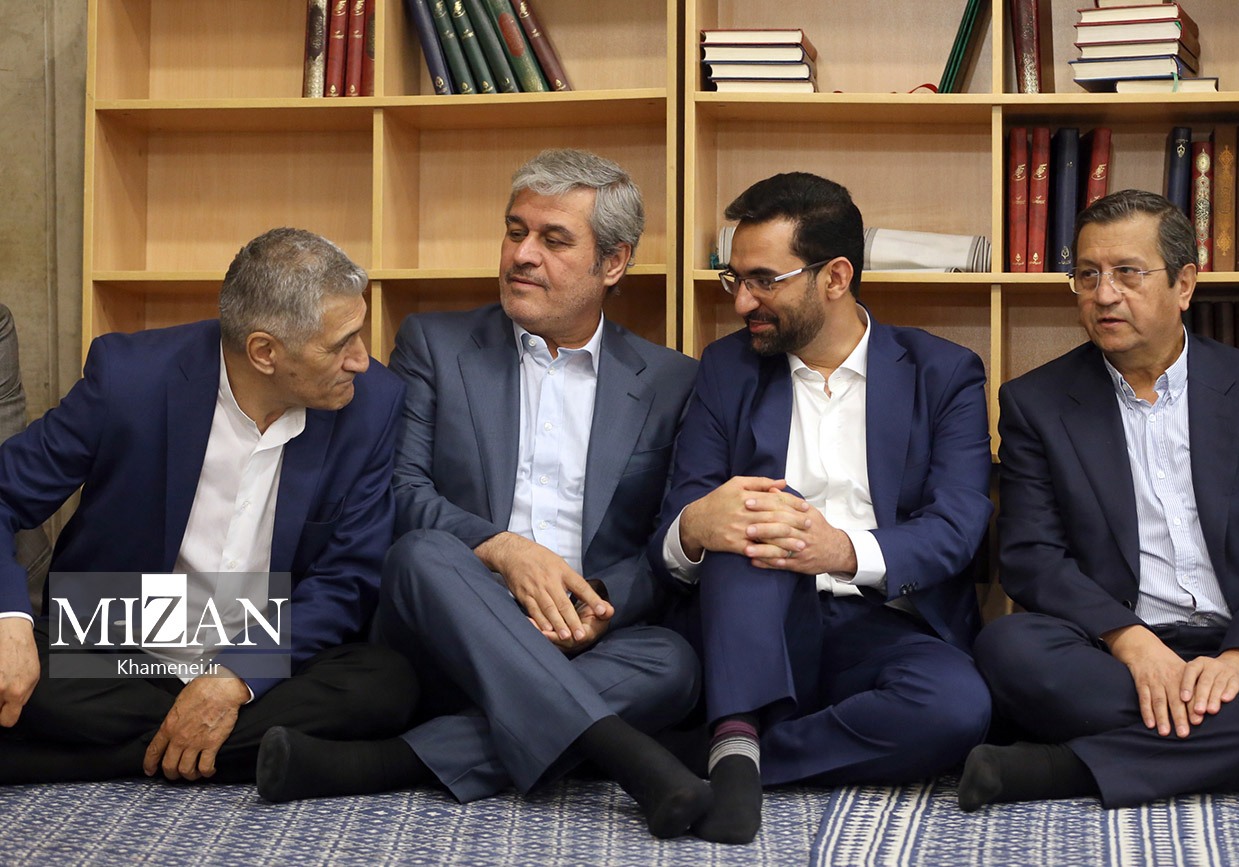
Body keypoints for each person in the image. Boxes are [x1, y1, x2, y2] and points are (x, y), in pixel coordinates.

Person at [256, 149, 709, 838]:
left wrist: (594, 605)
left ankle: (382, 763)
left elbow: (663, 543)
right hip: (447, 623)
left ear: (613, 263)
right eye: (515, 231)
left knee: (672, 662)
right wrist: (503, 549)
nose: (523, 254)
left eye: (554, 239)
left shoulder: (672, 381)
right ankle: (629, 756)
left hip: (580, 634)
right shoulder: (435, 345)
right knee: (423, 551)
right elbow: (401, 490)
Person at [0, 227, 416, 785]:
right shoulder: (130, 377)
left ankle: (79, 760)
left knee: (385, 683)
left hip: (268, 644)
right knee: (26, 668)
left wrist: (234, 677)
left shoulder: (372, 403)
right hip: (122, 639)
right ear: (264, 352)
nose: (362, 360)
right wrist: (8, 621)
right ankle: (263, 751)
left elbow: (347, 578)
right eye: (341, 344)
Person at [649, 172, 993, 844]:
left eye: (764, 280)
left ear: (835, 277)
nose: (741, 300)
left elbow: (956, 528)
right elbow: (675, 523)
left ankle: (726, 756)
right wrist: (695, 526)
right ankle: (738, 755)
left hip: (884, 622)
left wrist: (839, 549)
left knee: (956, 709)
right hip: (754, 617)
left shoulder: (943, 373)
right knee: (758, 515)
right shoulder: (725, 368)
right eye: (734, 279)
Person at [961, 189, 1239, 811]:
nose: (1104, 294)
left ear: (1184, 284)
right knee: (1009, 650)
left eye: (1127, 273)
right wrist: (1133, 643)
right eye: (1087, 275)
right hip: (1112, 648)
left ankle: (1066, 770)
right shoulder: (1037, 403)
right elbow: (1032, 557)